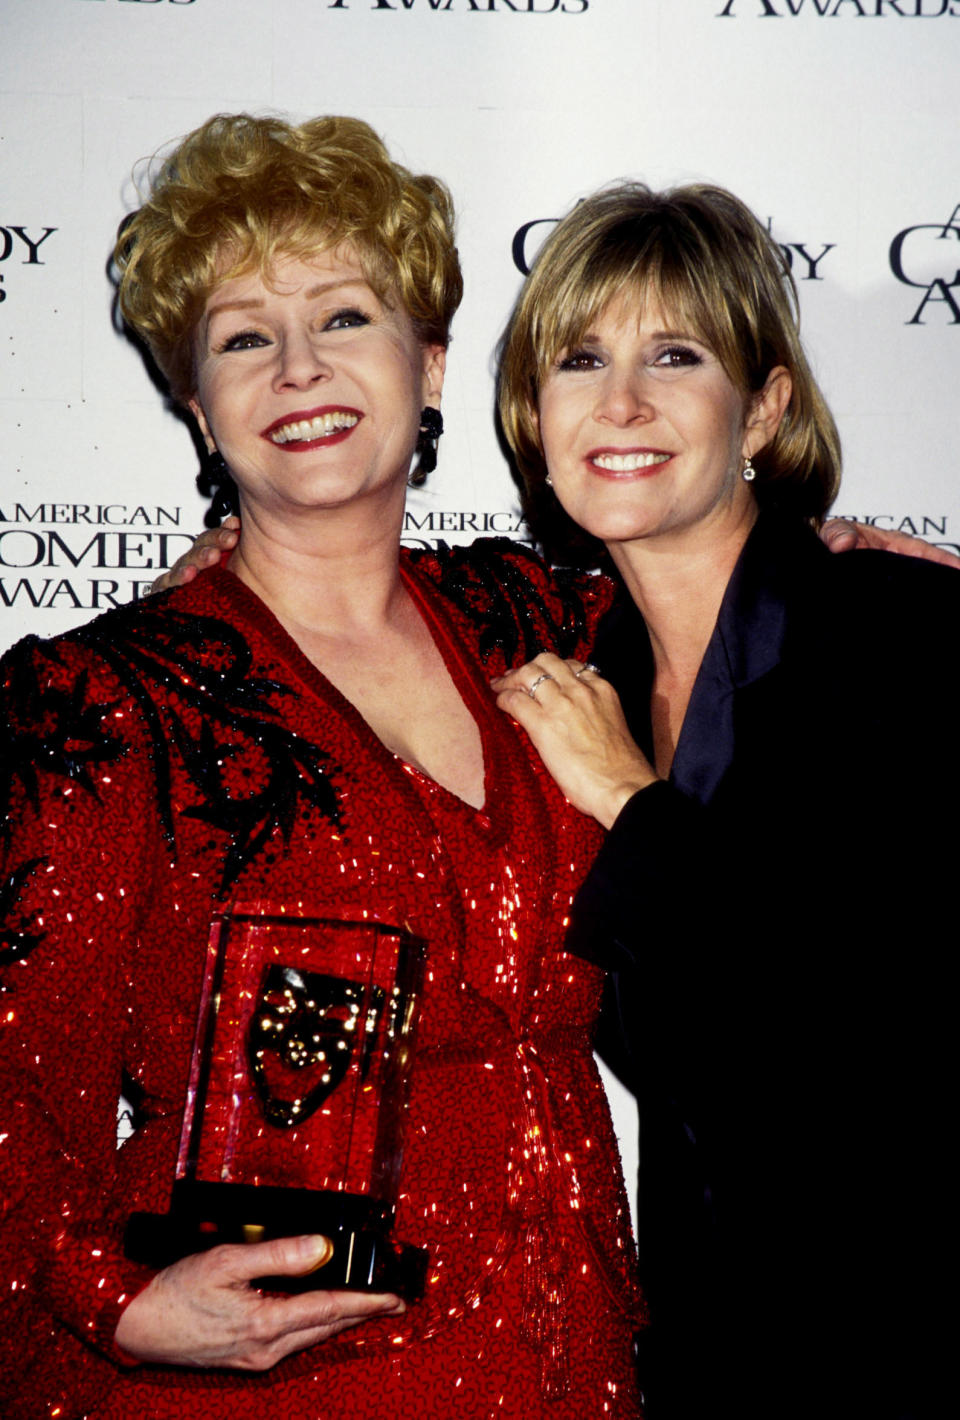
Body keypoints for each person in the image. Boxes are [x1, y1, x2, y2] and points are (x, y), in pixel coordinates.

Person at [0, 114, 645, 1419]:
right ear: (196, 403)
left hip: (577, 1357)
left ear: (432, 367)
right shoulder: (101, 700)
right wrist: (110, 1297)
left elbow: (731, 596)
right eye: (243, 338)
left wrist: (815, 540)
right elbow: (13, 1084)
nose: (299, 367)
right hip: (283, 1390)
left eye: (345, 319)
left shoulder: (550, 622)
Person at [492, 181, 958, 1419]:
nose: (622, 402)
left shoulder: (906, 644)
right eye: (580, 358)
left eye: (676, 355)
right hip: (706, 1350)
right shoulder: (578, 668)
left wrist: (636, 812)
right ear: (534, 417)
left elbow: (846, 1069)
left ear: (763, 407)